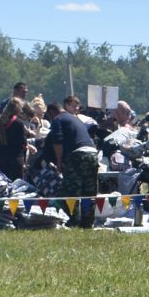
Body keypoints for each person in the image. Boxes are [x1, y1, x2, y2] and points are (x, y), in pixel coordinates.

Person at [49, 95, 104, 230]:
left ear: (51, 112)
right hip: (92, 153)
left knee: (72, 190)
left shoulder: (57, 119)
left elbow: (58, 142)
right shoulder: (75, 119)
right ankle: (87, 223)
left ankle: (72, 221)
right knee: (89, 191)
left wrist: (59, 162)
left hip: (77, 155)